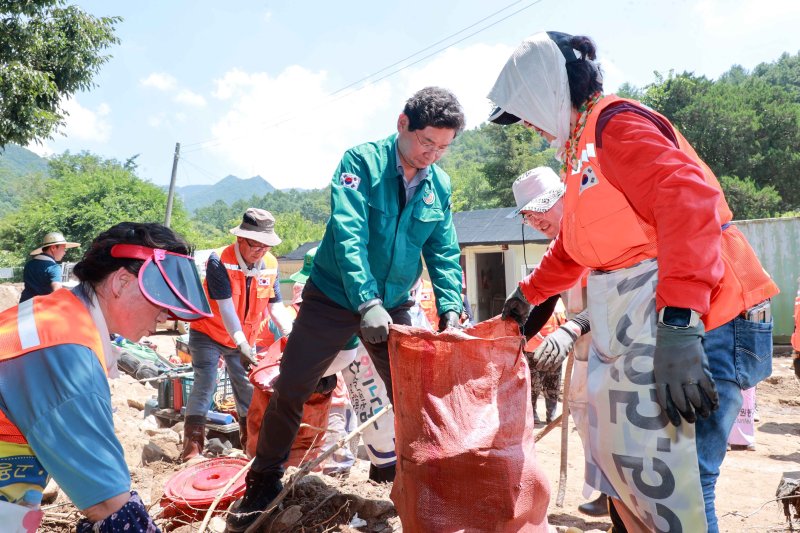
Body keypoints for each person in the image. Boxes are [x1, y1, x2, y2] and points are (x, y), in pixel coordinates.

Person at [490, 31, 778, 532]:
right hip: (662, 324)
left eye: (528, 112)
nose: (531, 127)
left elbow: (689, 204)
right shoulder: (581, 149)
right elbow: (579, 243)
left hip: (706, 321)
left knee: (680, 483)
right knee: (634, 477)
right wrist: (528, 296)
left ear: (549, 90)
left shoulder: (616, 127)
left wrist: (681, 323)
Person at [227, 86, 466, 531]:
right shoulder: (361, 163)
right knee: (293, 387)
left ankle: (422, 479)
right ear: (402, 125)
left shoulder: (439, 186)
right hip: (335, 295)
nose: (432, 154)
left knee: (412, 394)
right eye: (426, 142)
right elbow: (349, 234)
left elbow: (443, 249)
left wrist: (451, 307)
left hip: (392, 302)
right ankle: (262, 481)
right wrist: (365, 301)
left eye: (443, 147)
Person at [0, 222, 211, 532]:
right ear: (122, 282)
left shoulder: (54, 313)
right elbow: (108, 504)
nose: (166, 315)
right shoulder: (67, 352)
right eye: (160, 296)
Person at [512, 166, 605, 515]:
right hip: (584, 349)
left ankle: (622, 497)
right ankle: (603, 492)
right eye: (527, 216)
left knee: (616, 424)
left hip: (620, 346)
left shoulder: (596, 230)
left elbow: (617, 294)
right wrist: (515, 335)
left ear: (562, 197)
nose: (533, 221)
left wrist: (573, 326)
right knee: (584, 417)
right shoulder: (561, 247)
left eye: (539, 210)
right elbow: (546, 296)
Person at [183, 208, 293, 462]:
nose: (260, 251)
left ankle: (251, 447)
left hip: (244, 338)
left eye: (266, 246)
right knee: (206, 380)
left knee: (246, 388)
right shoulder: (219, 260)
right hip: (209, 331)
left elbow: (275, 306)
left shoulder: (271, 264)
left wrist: (292, 335)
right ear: (240, 239)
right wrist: (241, 343)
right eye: (256, 245)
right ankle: (192, 449)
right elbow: (225, 307)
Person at [19, 231, 80, 302]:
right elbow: (57, 292)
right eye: (63, 248)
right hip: (42, 308)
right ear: (53, 248)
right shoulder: (54, 267)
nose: (65, 252)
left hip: (24, 306)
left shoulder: (28, 264)